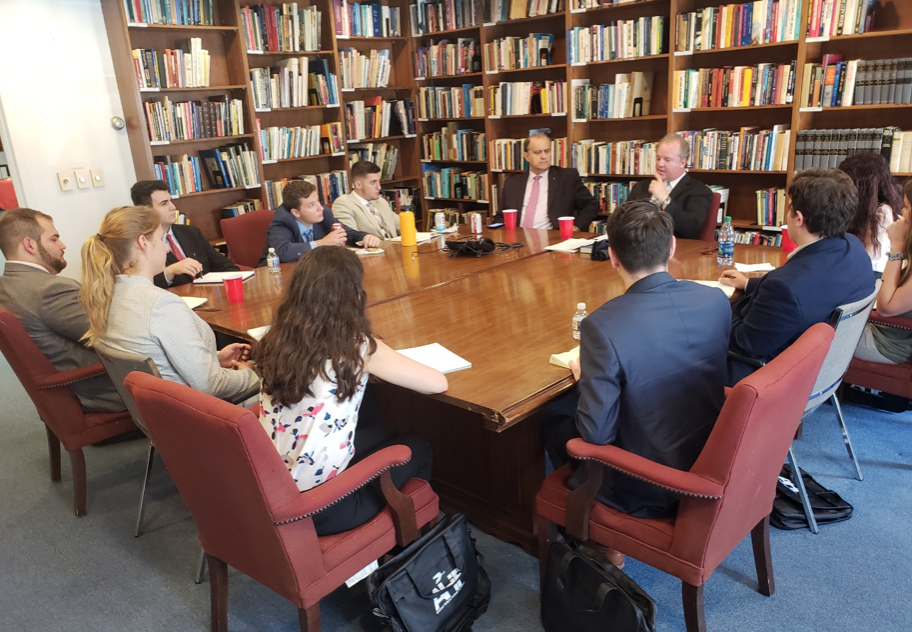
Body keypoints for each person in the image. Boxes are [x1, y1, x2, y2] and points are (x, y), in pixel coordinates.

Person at [543, 200, 731, 566]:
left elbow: (596, 435)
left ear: (612, 256)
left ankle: (596, 533)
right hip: (710, 457)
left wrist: (586, 380)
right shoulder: (715, 300)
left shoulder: (602, 325)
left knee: (555, 419)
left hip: (650, 485)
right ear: (672, 246)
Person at [256, 246, 447, 535]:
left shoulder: (276, 337)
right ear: (353, 295)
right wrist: (378, 349)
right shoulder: (355, 345)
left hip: (273, 487)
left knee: (385, 431)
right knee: (417, 446)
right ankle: (407, 547)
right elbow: (437, 383)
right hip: (321, 508)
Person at [81, 206, 259, 402]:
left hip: (164, 418)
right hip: (209, 416)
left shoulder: (107, 296)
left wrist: (213, 358)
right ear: (143, 243)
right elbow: (211, 385)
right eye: (161, 239)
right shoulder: (160, 305)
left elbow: (157, 359)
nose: (166, 248)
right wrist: (252, 374)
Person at [721, 168, 875, 383]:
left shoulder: (786, 288)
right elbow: (811, 294)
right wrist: (749, 284)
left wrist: (714, 309)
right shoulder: (853, 248)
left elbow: (742, 344)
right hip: (820, 372)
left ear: (799, 218)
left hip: (764, 375)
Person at [0, 208, 124, 412]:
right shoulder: (51, 290)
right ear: (29, 244)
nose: (62, 245)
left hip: (66, 392)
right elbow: (113, 337)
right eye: (54, 239)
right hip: (106, 394)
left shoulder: (5, 286)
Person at [130, 180, 239, 288]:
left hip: (210, 296)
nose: (173, 207)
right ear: (146, 210)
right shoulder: (140, 244)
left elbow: (222, 265)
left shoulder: (191, 232)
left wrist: (238, 277)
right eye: (164, 203)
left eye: (170, 201)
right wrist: (169, 272)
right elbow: (144, 287)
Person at [854, 179, 912, 364]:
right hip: (884, 330)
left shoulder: (900, 246)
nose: (902, 213)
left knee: (812, 332)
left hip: (888, 343)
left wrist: (897, 246)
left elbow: (886, 307)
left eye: (907, 207)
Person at [258, 179, 380, 267]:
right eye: (311, 205)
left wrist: (365, 237)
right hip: (277, 276)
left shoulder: (324, 213)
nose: (320, 208)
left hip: (313, 272)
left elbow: (346, 233)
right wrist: (321, 243)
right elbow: (283, 252)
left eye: (318, 201)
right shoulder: (282, 220)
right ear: (296, 212)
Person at [493, 132, 598, 231]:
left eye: (547, 151)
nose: (543, 156)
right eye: (537, 152)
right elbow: (501, 216)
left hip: (554, 238)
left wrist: (576, 227)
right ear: (526, 156)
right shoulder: (512, 183)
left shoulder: (567, 177)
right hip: (518, 240)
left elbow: (590, 205)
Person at [627, 133, 714, 239]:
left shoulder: (699, 191)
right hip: (636, 247)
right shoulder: (641, 186)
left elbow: (690, 229)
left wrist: (664, 199)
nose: (660, 164)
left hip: (675, 249)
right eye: (658, 158)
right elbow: (625, 220)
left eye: (667, 160)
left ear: (682, 162)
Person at [837, 151, 903, 274]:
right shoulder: (862, 209)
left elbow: (870, 259)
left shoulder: (882, 213)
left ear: (863, 187)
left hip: (872, 276)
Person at [332, 161, 400, 239]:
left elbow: (401, 224)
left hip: (394, 247)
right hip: (372, 249)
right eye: (373, 182)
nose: (379, 187)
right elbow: (351, 236)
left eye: (378, 181)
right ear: (358, 185)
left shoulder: (381, 201)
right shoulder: (343, 204)